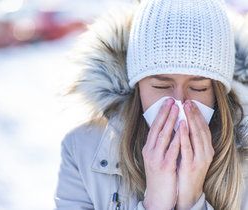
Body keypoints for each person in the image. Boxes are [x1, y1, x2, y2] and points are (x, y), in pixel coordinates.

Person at [54, 0, 248, 209]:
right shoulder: (82, 150)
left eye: (198, 87)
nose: (179, 103)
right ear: (137, 86)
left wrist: (192, 200)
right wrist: (156, 201)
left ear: (218, 92)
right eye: (161, 86)